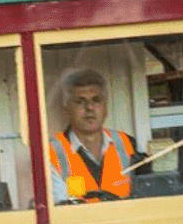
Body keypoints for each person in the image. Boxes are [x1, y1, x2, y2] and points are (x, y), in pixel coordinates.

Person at [49, 69, 139, 202]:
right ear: (67, 109)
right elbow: (59, 209)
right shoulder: (52, 152)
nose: (89, 107)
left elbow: (145, 194)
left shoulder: (127, 143)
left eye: (96, 100)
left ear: (105, 107)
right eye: (80, 101)